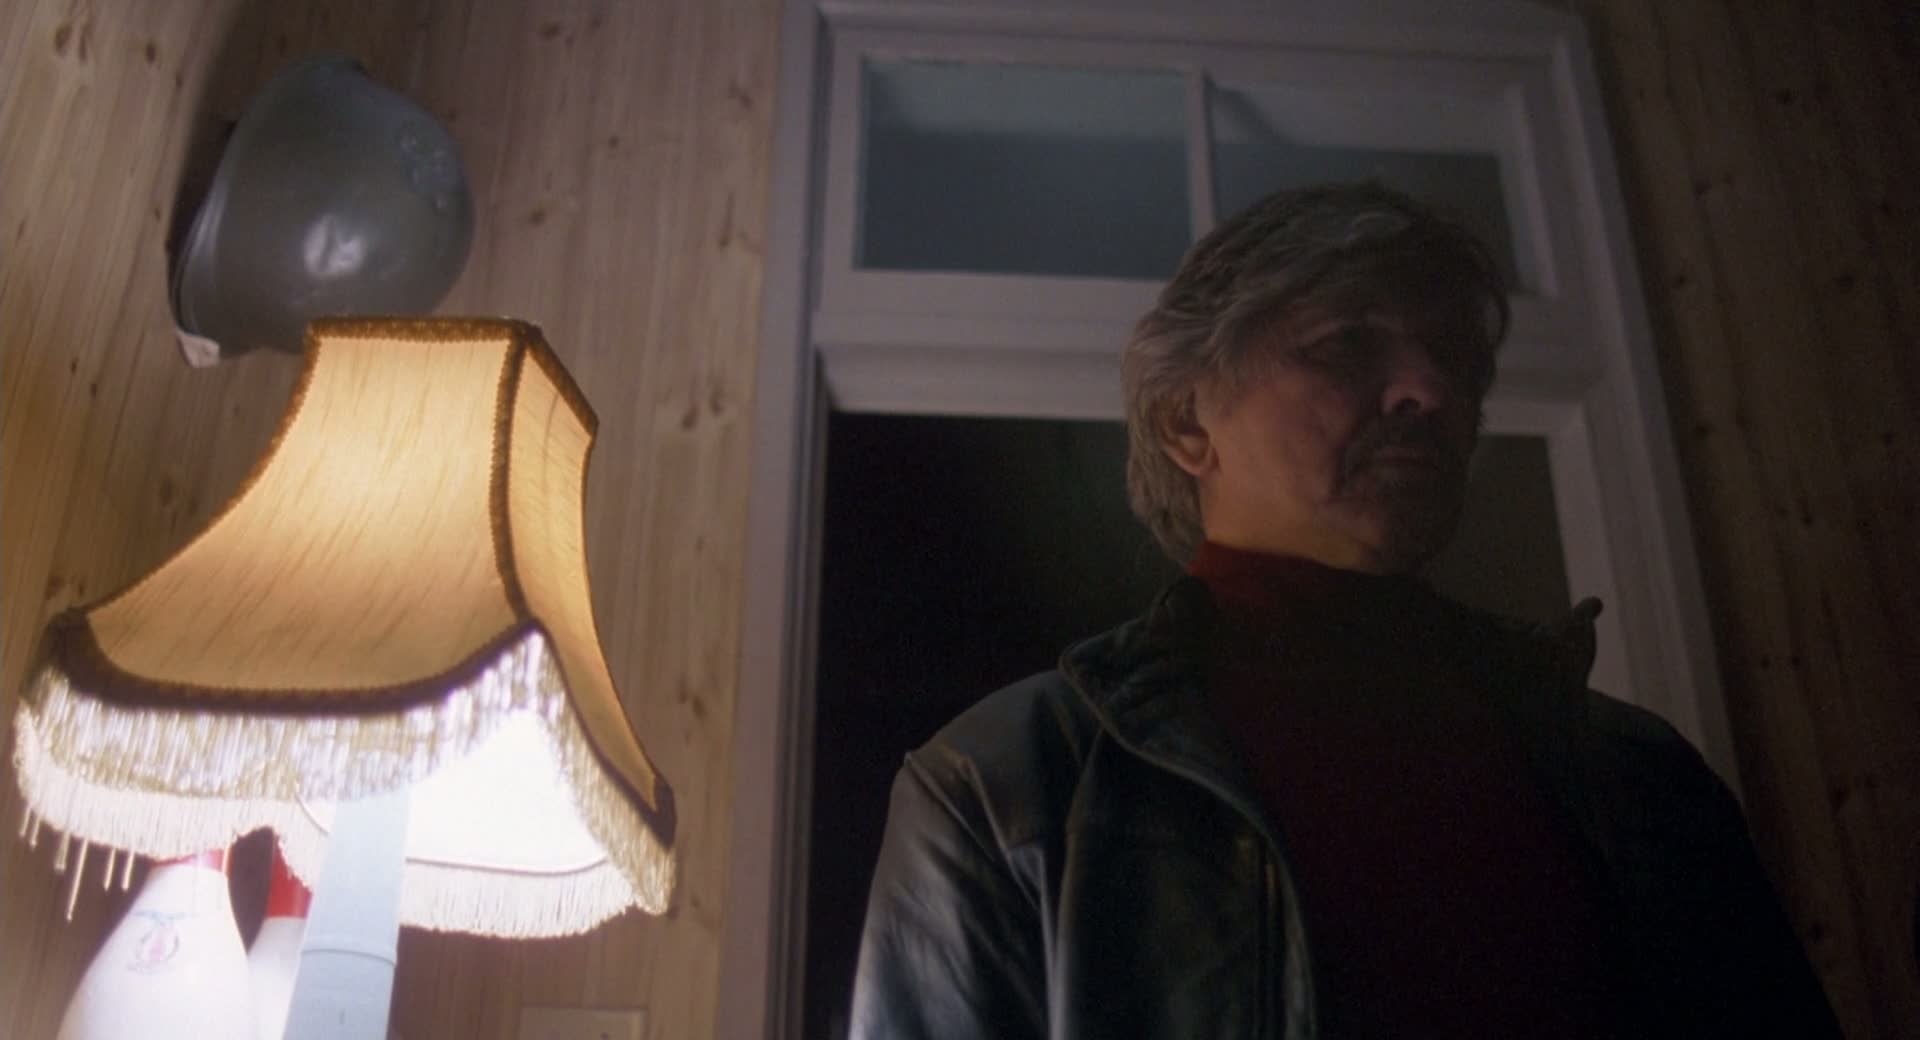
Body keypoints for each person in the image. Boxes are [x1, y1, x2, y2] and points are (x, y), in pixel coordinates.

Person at [846, 182, 1842, 1039]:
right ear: (1187, 421)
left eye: (1452, 357)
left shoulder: (1642, 778)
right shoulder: (1007, 787)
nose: (1429, 389)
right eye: (1346, 343)